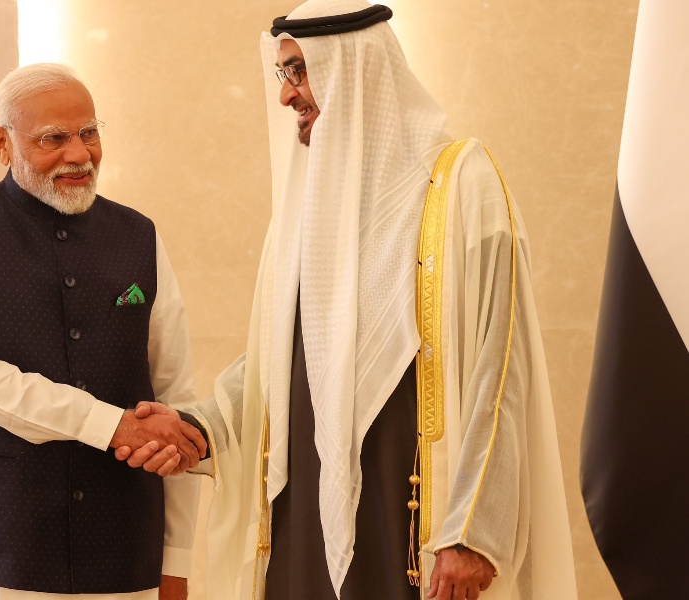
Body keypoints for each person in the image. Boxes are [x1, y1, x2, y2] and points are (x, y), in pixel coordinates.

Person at [121, 1, 578, 598]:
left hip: (413, 510)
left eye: (299, 71)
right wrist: (200, 424)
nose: (286, 95)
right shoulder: (305, 209)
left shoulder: (462, 183)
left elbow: (502, 365)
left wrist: (474, 530)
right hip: (304, 505)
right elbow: (285, 355)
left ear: (356, 68)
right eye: (283, 73)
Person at [0, 63, 207, 600]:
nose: (79, 154)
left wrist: (176, 558)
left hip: (121, 541)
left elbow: (172, 396)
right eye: (53, 139)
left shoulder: (138, 234)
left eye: (89, 133)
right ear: (2, 143)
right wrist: (110, 424)